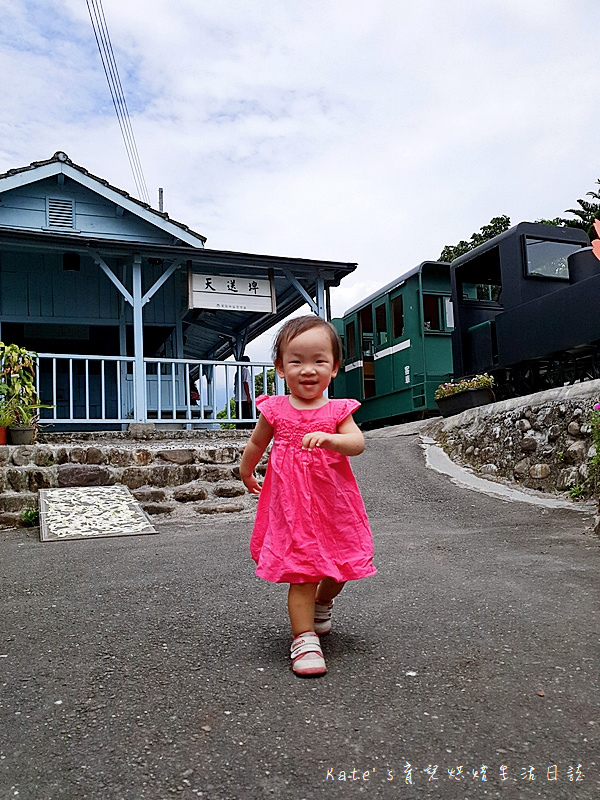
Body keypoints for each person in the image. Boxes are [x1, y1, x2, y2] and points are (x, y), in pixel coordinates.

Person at [239, 315, 376, 677]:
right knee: (303, 571)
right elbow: (256, 443)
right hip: (292, 506)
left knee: (341, 565)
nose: (308, 370)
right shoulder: (276, 410)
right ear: (281, 368)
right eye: (296, 361)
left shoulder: (337, 411)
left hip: (333, 504)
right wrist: (245, 469)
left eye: (319, 361)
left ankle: (323, 603)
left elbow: (357, 443)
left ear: (334, 368)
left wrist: (332, 439)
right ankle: (303, 639)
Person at [234, 355, 254, 429]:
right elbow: (245, 383)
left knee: (239, 416)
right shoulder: (245, 370)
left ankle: (239, 429)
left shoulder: (237, 372)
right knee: (247, 416)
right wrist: (248, 396)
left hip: (238, 398)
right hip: (244, 398)